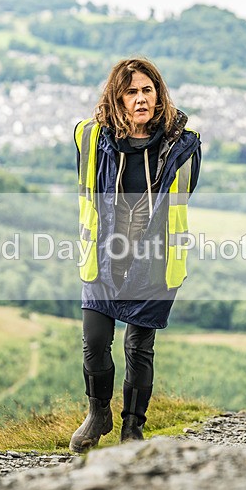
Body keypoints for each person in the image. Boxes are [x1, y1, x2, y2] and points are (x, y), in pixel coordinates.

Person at [70, 58, 201, 453]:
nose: (141, 98)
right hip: (103, 254)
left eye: (147, 89)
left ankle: (133, 427)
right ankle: (97, 414)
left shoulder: (183, 144)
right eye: (131, 91)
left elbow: (185, 193)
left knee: (139, 347)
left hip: (154, 260)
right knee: (94, 341)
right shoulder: (91, 138)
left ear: (158, 95)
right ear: (117, 97)